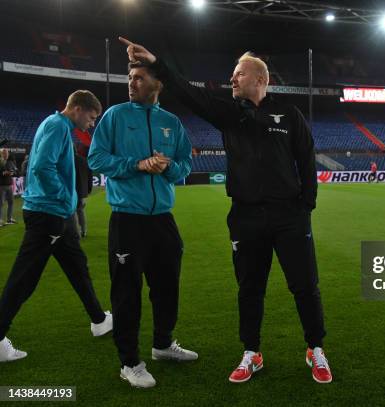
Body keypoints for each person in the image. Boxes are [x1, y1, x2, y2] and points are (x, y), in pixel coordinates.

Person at [119, 37, 333, 384]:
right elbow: (189, 93)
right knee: (249, 288)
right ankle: (252, 352)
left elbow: (306, 161)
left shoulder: (289, 114)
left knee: (306, 285)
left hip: (289, 217)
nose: (232, 79)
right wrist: (156, 63)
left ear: (261, 79)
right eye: (233, 74)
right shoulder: (229, 114)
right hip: (246, 217)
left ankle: (316, 349)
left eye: (239, 74)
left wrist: (305, 205)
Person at [88, 62, 196, 389]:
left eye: (139, 78)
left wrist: (167, 167)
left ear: (157, 84)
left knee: (167, 287)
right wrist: (136, 165)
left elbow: (185, 167)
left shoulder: (171, 122)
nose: (132, 83)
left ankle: (163, 344)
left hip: (163, 219)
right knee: (126, 293)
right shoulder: (116, 116)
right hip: (127, 219)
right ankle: (130, 362)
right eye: (130, 78)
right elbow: (97, 159)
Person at [0, 90, 113, 363]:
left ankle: (99, 320)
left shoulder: (59, 126)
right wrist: (64, 197)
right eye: (91, 117)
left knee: (78, 267)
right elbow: (41, 168)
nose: (92, 123)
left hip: (57, 214)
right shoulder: (55, 126)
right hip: (48, 213)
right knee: (24, 278)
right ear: (76, 108)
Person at [73, 143, 92, 238]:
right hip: (83, 192)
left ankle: (76, 233)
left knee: (72, 212)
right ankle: (83, 231)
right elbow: (89, 177)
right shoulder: (84, 161)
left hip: (72, 191)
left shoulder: (67, 161)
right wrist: (88, 190)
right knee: (80, 211)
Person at [0, 148, 18, 226]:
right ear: (1, 154)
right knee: (1, 203)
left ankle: (9, 219)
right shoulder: (0, 162)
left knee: (11, 202)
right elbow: (3, 173)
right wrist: (6, 173)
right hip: (1, 186)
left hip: (9, 185)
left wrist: (13, 171)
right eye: (4, 153)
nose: (6, 154)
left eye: (7, 153)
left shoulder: (10, 162)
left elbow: (16, 170)